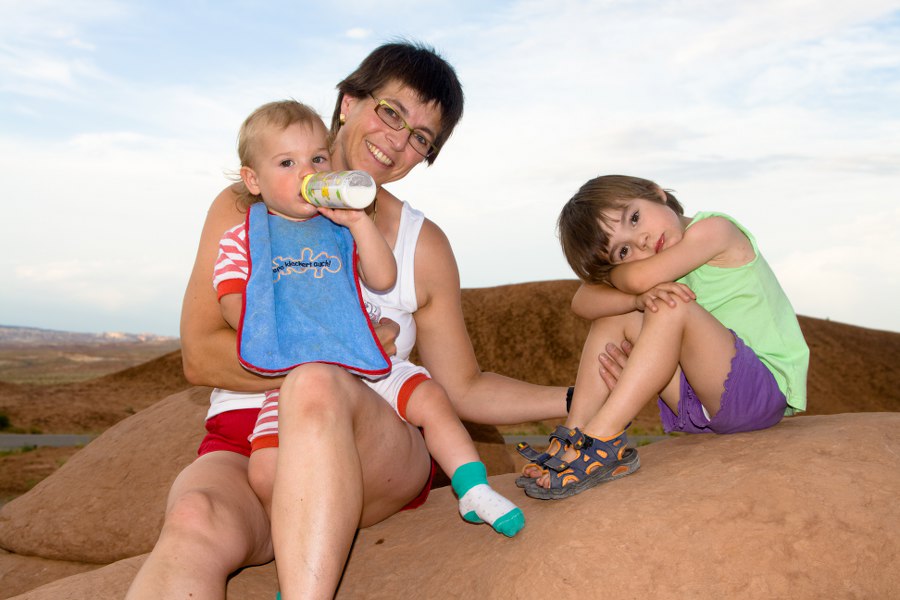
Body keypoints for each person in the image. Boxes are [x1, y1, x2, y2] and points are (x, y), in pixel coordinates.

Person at [126, 41, 559, 600]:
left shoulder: (419, 245)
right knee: (194, 518)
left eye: (421, 138)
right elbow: (200, 355)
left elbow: (464, 388)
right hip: (246, 437)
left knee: (317, 385)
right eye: (391, 112)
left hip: (371, 445)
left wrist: (575, 398)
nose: (398, 141)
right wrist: (349, 344)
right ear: (349, 102)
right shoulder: (244, 209)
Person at [215, 99, 524, 560]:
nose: (306, 172)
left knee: (431, 398)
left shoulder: (337, 226)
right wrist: (300, 340)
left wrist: (359, 223)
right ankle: (298, 563)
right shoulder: (244, 237)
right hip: (300, 379)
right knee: (266, 470)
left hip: (365, 362)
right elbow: (232, 303)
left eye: (317, 159)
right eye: (286, 163)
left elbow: (382, 279)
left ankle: (472, 487)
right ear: (253, 180)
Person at [516, 174, 809, 500]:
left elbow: (642, 277)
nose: (641, 240)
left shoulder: (714, 230)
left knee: (671, 304)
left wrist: (613, 273)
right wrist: (633, 300)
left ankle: (602, 436)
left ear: (656, 193)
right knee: (613, 317)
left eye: (634, 218)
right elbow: (581, 302)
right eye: (623, 250)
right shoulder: (654, 267)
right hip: (700, 404)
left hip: (761, 392)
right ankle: (576, 433)